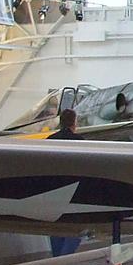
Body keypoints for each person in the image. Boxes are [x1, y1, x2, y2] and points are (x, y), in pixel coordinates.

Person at [47, 109, 83, 257]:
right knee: (75, 230)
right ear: (74, 123)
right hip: (74, 193)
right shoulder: (80, 142)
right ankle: (64, 260)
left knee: (56, 229)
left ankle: (57, 260)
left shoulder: (50, 140)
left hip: (53, 192)